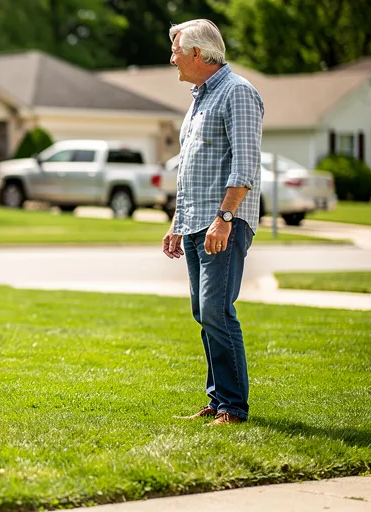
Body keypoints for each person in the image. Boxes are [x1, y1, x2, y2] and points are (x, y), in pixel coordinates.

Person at [161, 19, 264, 426]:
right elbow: (190, 168)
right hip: (194, 221)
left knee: (217, 311)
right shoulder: (199, 98)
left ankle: (233, 408)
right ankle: (218, 399)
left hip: (224, 221)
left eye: (176, 51)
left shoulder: (237, 93)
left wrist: (225, 217)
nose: (172, 59)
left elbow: (246, 164)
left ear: (199, 55)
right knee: (203, 312)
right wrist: (176, 223)